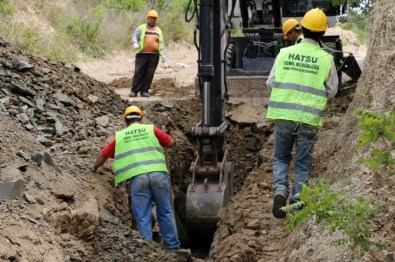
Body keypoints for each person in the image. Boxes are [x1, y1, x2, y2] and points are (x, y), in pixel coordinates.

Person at [266, 8, 339, 219]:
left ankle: (280, 190)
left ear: (303, 29)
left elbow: (270, 82)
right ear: (323, 33)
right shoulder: (326, 58)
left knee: (280, 157)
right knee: (303, 163)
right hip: (309, 118)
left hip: (284, 116)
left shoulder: (284, 53)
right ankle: (297, 206)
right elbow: (332, 90)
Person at [92, 105, 190, 259]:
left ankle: (149, 251)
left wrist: (93, 168)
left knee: (142, 215)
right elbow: (170, 142)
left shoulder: (121, 136)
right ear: (141, 117)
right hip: (158, 176)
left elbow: (104, 155)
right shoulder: (151, 129)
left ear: (126, 120)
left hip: (138, 179)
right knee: (165, 211)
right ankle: (173, 248)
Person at [129, 10, 166, 98]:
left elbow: (162, 43)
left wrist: (163, 54)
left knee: (149, 73)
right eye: (151, 18)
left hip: (154, 55)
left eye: (154, 18)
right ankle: (134, 91)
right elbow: (135, 36)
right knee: (139, 72)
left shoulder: (159, 31)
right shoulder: (141, 28)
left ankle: (144, 91)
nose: (153, 20)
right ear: (148, 18)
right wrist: (134, 42)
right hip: (142, 54)